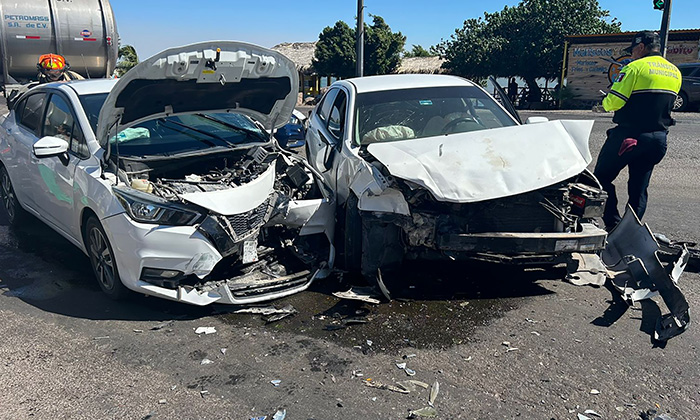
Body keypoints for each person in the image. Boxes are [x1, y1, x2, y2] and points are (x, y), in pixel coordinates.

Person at [593, 31, 681, 231]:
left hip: (630, 136)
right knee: (639, 189)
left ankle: (612, 224)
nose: (631, 54)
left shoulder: (634, 68)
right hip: (658, 139)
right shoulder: (675, 71)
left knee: (600, 179)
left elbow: (615, 101)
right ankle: (628, 231)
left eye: (632, 50)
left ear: (641, 47)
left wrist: (603, 104)